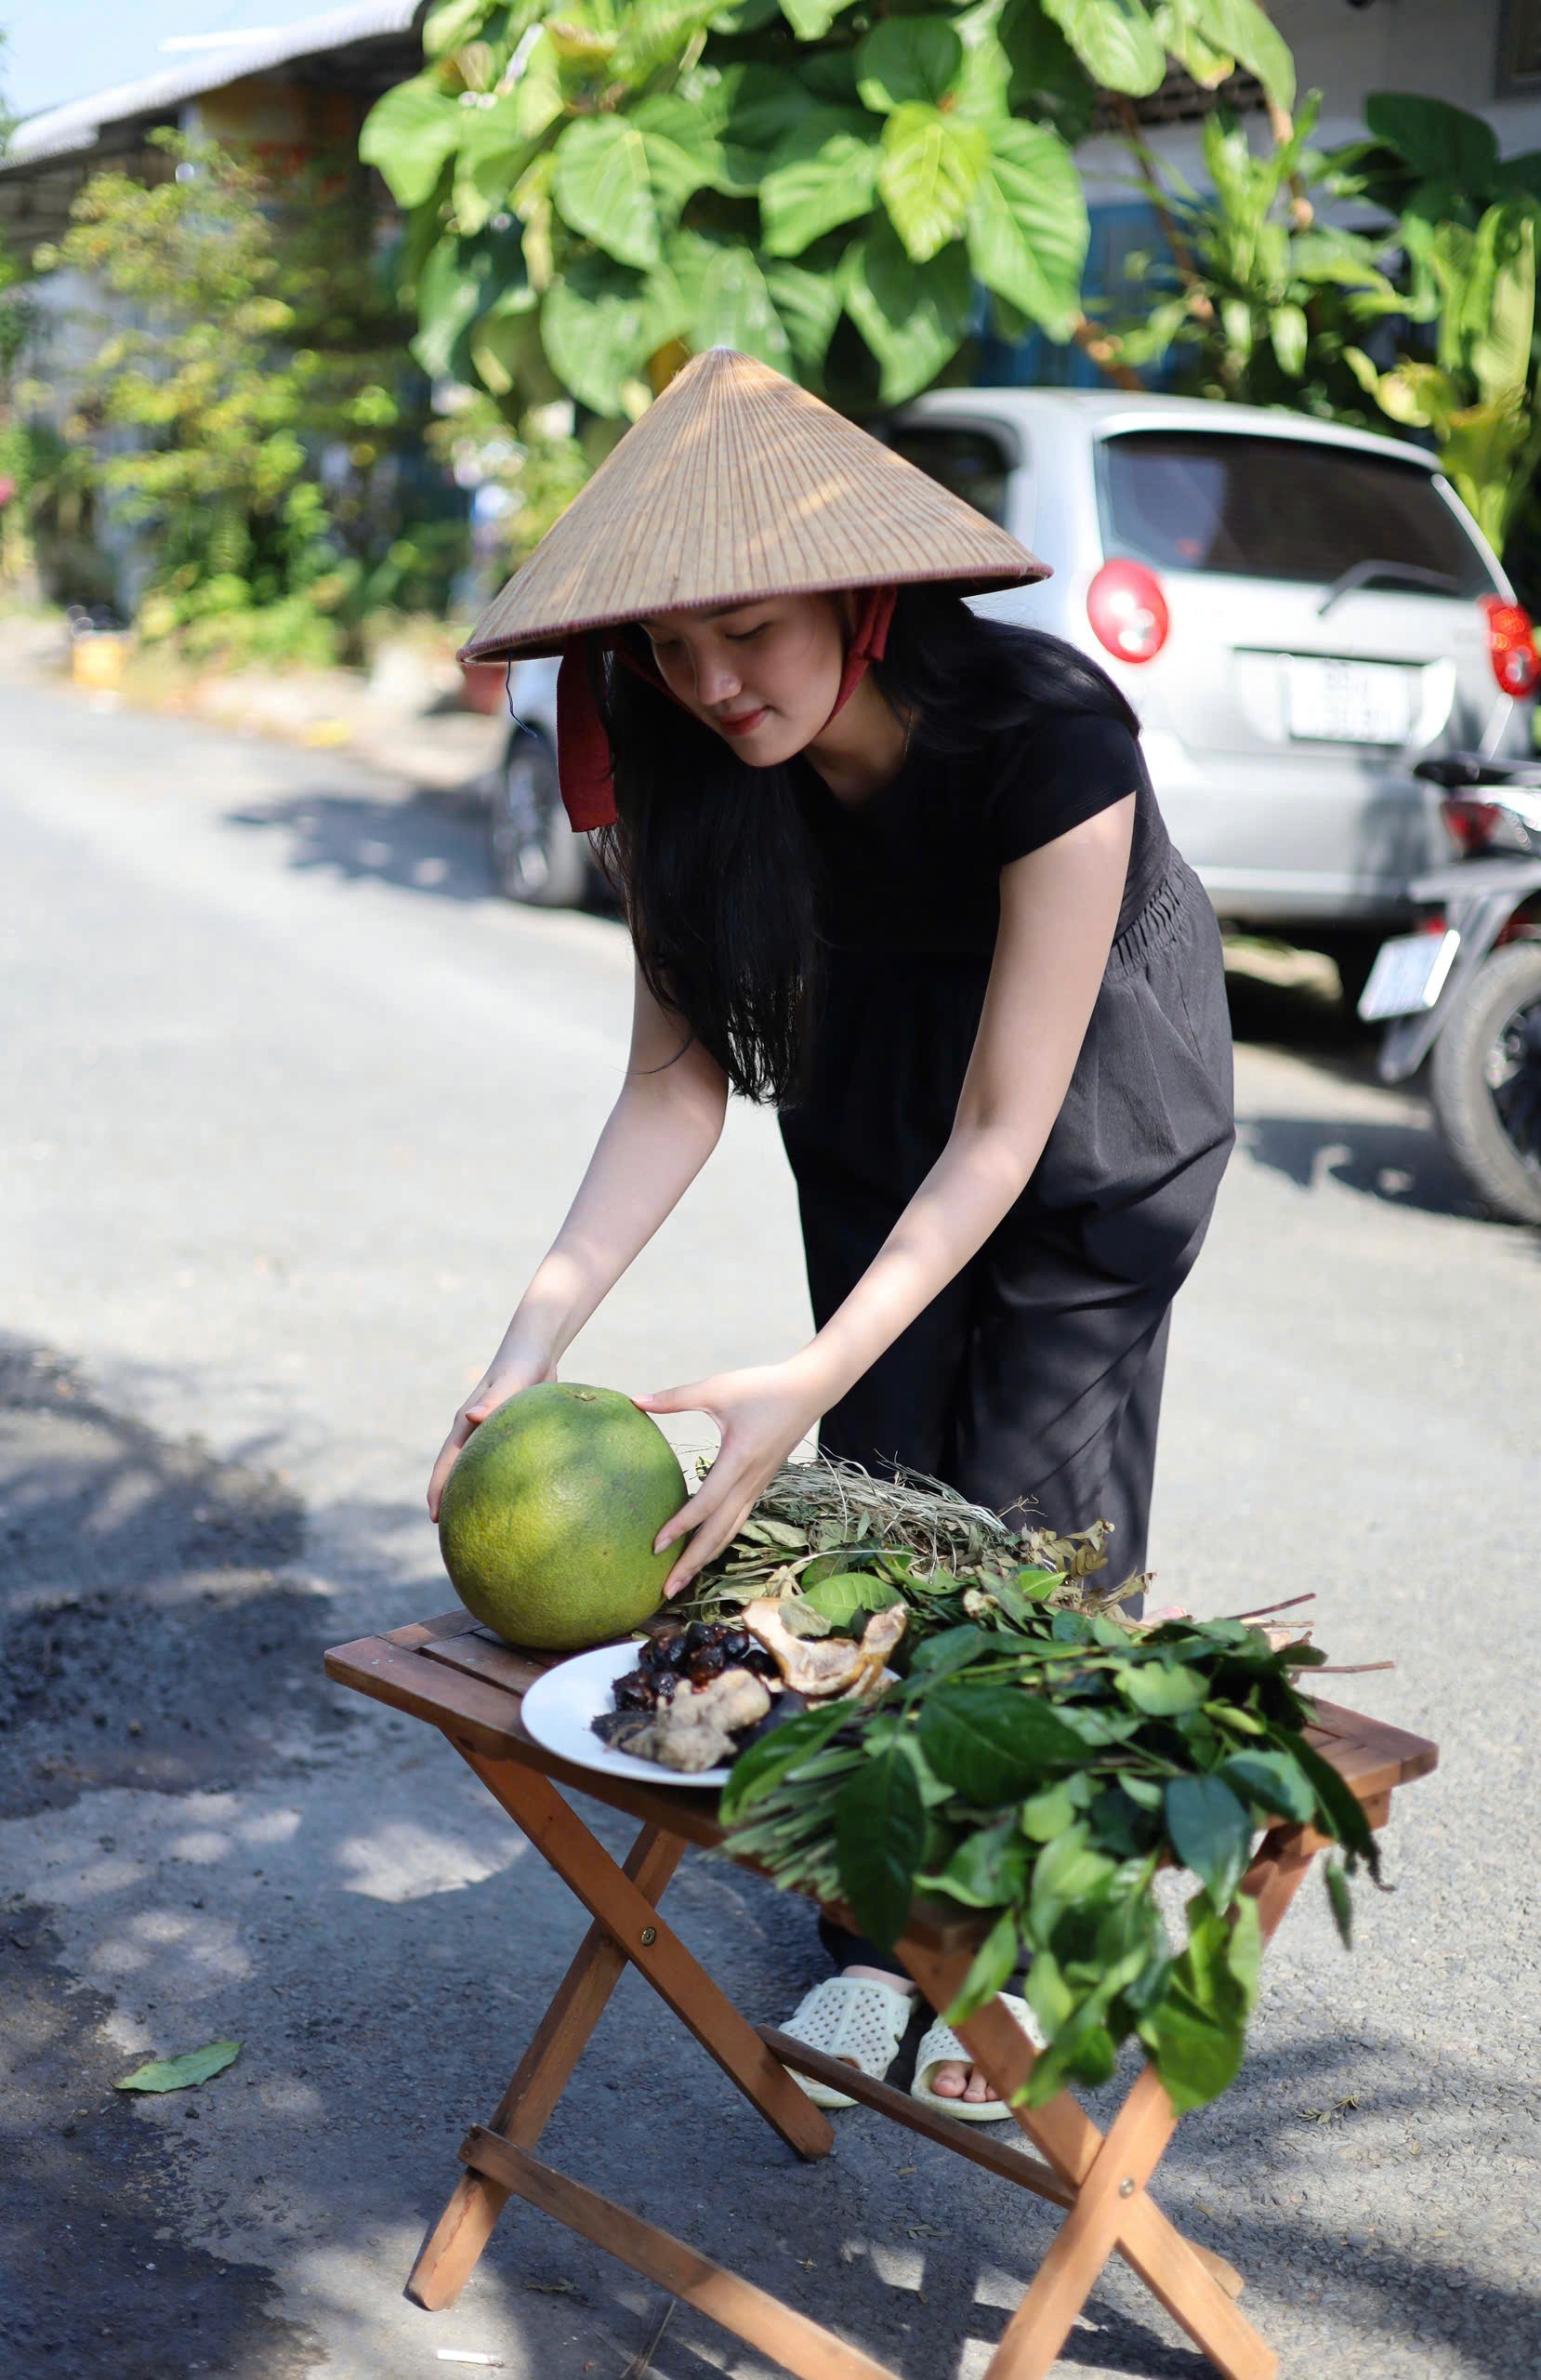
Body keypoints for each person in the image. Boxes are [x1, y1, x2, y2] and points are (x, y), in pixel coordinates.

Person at [427, 348, 1235, 2119]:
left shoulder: (1045, 735)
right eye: (671, 646)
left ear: (859, 598)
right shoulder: (672, 742)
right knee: (876, 1496)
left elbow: (1011, 1126)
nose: (713, 685)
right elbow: (671, 1085)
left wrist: (797, 1364)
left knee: (1030, 1529)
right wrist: (523, 1358)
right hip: (876, 1098)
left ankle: (1005, 1938)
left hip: (1089, 1114)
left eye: (751, 630)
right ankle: (888, 1930)